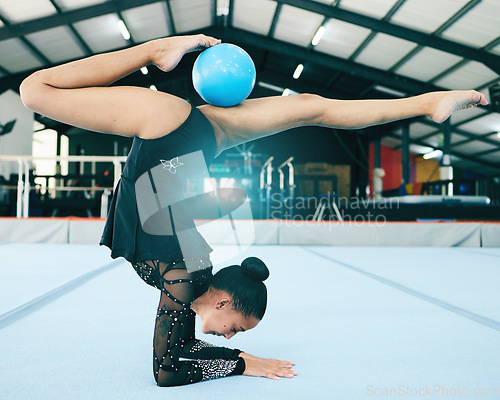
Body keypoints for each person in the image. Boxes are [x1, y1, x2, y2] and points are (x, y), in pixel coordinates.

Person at [19, 34, 488, 387]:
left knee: (311, 107)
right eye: (237, 329)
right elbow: (168, 368)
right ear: (222, 301)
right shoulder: (185, 277)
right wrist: (241, 364)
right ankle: (155, 51)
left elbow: (177, 356)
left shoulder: (192, 276)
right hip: (168, 129)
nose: (230, 337)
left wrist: (237, 361)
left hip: (192, 136)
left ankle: (431, 103)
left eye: (235, 335)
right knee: (34, 90)